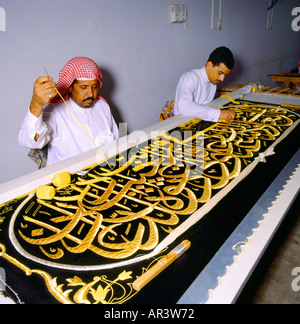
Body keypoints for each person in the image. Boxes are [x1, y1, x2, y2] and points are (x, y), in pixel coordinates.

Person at [19, 57, 119, 166]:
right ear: (70, 87)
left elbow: (116, 141)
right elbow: (30, 141)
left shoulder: (102, 106)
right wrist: (36, 104)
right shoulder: (55, 112)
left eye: (94, 86)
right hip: (69, 178)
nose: (90, 93)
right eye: (83, 87)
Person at [174, 46, 236, 122]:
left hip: (197, 123)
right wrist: (218, 114)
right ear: (209, 65)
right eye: (220, 73)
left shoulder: (212, 84)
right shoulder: (190, 77)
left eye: (224, 75)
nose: (222, 79)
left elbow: (205, 109)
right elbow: (184, 107)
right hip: (180, 125)